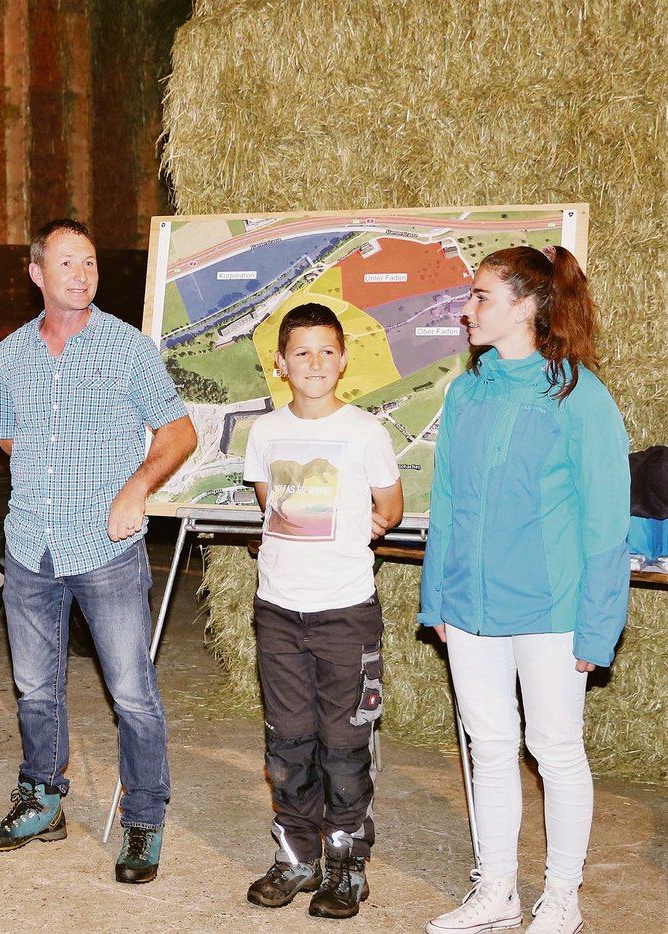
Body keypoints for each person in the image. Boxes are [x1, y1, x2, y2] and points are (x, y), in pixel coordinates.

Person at [0, 218, 197, 884]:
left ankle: (144, 818)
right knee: (34, 687)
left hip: (103, 547)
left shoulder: (127, 348)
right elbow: (8, 438)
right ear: (37, 272)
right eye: (68, 263)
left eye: (91, 263)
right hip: (28, 546)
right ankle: (43, 797)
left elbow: (180, 432)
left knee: (131, 692)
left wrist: (133, 488)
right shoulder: (10, 352)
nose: (82, 274)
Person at [421, 245, 629, 934]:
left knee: (555, 747)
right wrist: (437, 598)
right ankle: (497, 890)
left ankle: (562, 895)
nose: (467, 308)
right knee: (487, 745)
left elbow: (605, 522)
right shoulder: (466, 392)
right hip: (472, 607)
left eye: (481, 295)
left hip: (552, 609)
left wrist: (599, 625)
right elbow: (446, 502)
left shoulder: (579, 395)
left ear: (528, 306)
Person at [240, 303, 404, 919]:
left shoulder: (366, 432)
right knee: (288, 745)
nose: (314, 362)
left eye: (327, 351)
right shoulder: (264, 433)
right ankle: (297, 858)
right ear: (281, 365)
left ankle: (346, 864)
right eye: (301, 352)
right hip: (278, 612)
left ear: (343, 360)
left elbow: (388, 506)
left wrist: (354, 536)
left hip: (345, 614)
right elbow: (269, 502)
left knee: (343, 747)